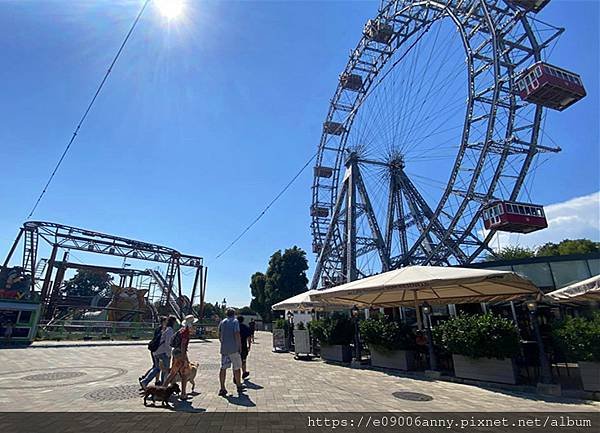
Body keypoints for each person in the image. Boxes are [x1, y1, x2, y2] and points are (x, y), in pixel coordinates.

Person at [165, 314, 197, 400]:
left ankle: (162, 390)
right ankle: (183, 394)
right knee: (185, 374)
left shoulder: (181, 330)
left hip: (175, 352)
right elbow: (183, 345)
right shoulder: (186, 332)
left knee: (173, 373)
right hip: (180, 354)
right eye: (193, 323)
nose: (194, 325)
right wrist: (184, 358)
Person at [140, 315, 176, 389]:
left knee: (157, 368)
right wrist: (168, 354)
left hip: (156, 351)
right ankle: (162, 386)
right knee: (165, 370)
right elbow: (168, 343)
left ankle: (145, 381)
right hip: (163, 353)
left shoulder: (164, 329)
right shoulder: (169, 330)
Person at [218, 309, 243, 396]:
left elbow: (219, 334)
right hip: (233, 348)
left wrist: (223, 343)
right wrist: (239, 346)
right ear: (234, 314)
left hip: (224, 349)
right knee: (237, 368)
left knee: (223, 368)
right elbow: (237, 334)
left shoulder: (222, 322)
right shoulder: (235, 321)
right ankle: (239, 385)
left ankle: (222, 388)